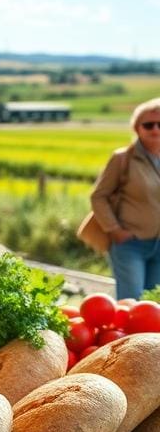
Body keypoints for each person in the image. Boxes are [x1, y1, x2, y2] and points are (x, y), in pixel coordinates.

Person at [91, 97, 160, 300]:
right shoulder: (122, 159)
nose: (155, 129)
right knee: (131, 302)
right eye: (148, 125)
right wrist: (115, 230)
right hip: (131, 245)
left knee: (154, 304)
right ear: (137, 128)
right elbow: (99, 196)